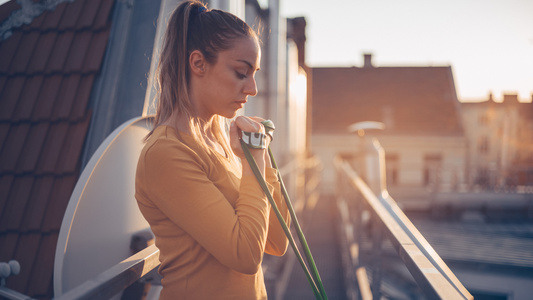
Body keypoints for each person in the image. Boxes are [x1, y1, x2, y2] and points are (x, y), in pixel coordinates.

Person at [134, 1, 290, 299]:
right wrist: (254, 157)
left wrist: (261, 160)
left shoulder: (221, 139)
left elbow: (277, 241)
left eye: (254, 73)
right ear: (198, 63)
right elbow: (245, 255)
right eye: (242, 72)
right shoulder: (166, 153)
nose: (253, 88)